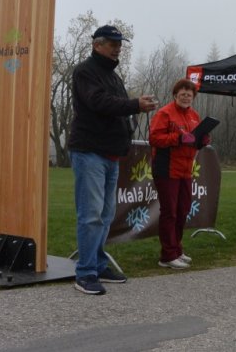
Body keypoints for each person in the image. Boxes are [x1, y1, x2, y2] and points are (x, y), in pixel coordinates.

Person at [68, 24, 158, 295]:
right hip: (89, 153)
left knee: (105, 215)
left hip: (110, 154)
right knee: (91, 215)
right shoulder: (85, 71)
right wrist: (134, 105)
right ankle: (85, 273)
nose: (117, 48)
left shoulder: (113, 76)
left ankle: (98, 264)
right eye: (112, 43)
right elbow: (99, 103)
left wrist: (132, 114)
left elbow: (118, 110)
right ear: (97, 45)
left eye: (119, 44)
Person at [149, 78, 210, 270]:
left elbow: (194, 140)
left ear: (193, 97)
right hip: (166, 168)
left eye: (189, 95)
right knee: (170, 212)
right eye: (182, 94)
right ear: (175, 95)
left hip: (186, 169)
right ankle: (167, 255)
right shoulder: (164, 113)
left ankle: (176, 249)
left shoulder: (194, 115)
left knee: (183, 210)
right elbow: (154, 138)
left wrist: (202, 140)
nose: (186, 97)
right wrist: (178, 138)